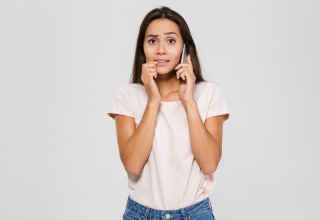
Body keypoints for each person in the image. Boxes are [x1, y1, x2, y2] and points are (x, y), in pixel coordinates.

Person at [107, 6, 229, 220]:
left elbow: (209, 164)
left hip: (195, 214)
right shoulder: (127, 95)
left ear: (185, 48)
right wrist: (153, 100)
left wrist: (189, 102)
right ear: (142, 48)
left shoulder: (208, 93)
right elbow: (133, 165)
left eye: (171, 41)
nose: (161, 50)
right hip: (141, 214)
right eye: (152, 41)